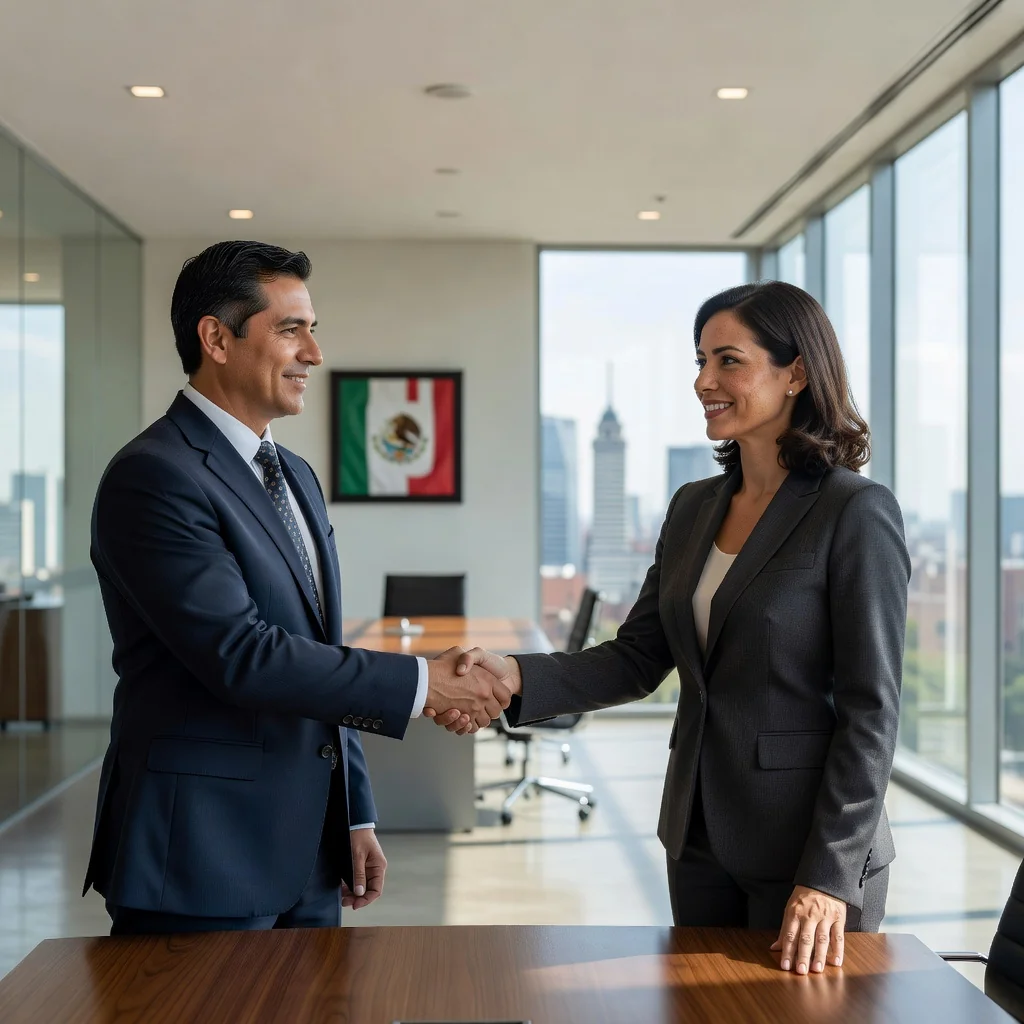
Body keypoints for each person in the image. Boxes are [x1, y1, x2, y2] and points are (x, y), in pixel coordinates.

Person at [437, 281, 910, 976]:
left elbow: (873, 712)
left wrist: (830, 876)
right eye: (700, 361)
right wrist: (512, 675)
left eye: (727, 361)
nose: (702, 381)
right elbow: (638, 657)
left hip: (808, 853)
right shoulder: (694, 507)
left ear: (796, 373)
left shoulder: (854, 512)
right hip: (697, 836)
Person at [84, 240, 507, 934]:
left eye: (313, 330)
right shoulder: (154, 476)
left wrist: (355, 811)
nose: (313, 352)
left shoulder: (297, 477)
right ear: (217, 339)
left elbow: (318, 649)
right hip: (200, 855)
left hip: (310, 848)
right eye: (290, 330)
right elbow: (241, 655)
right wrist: (426, 685)